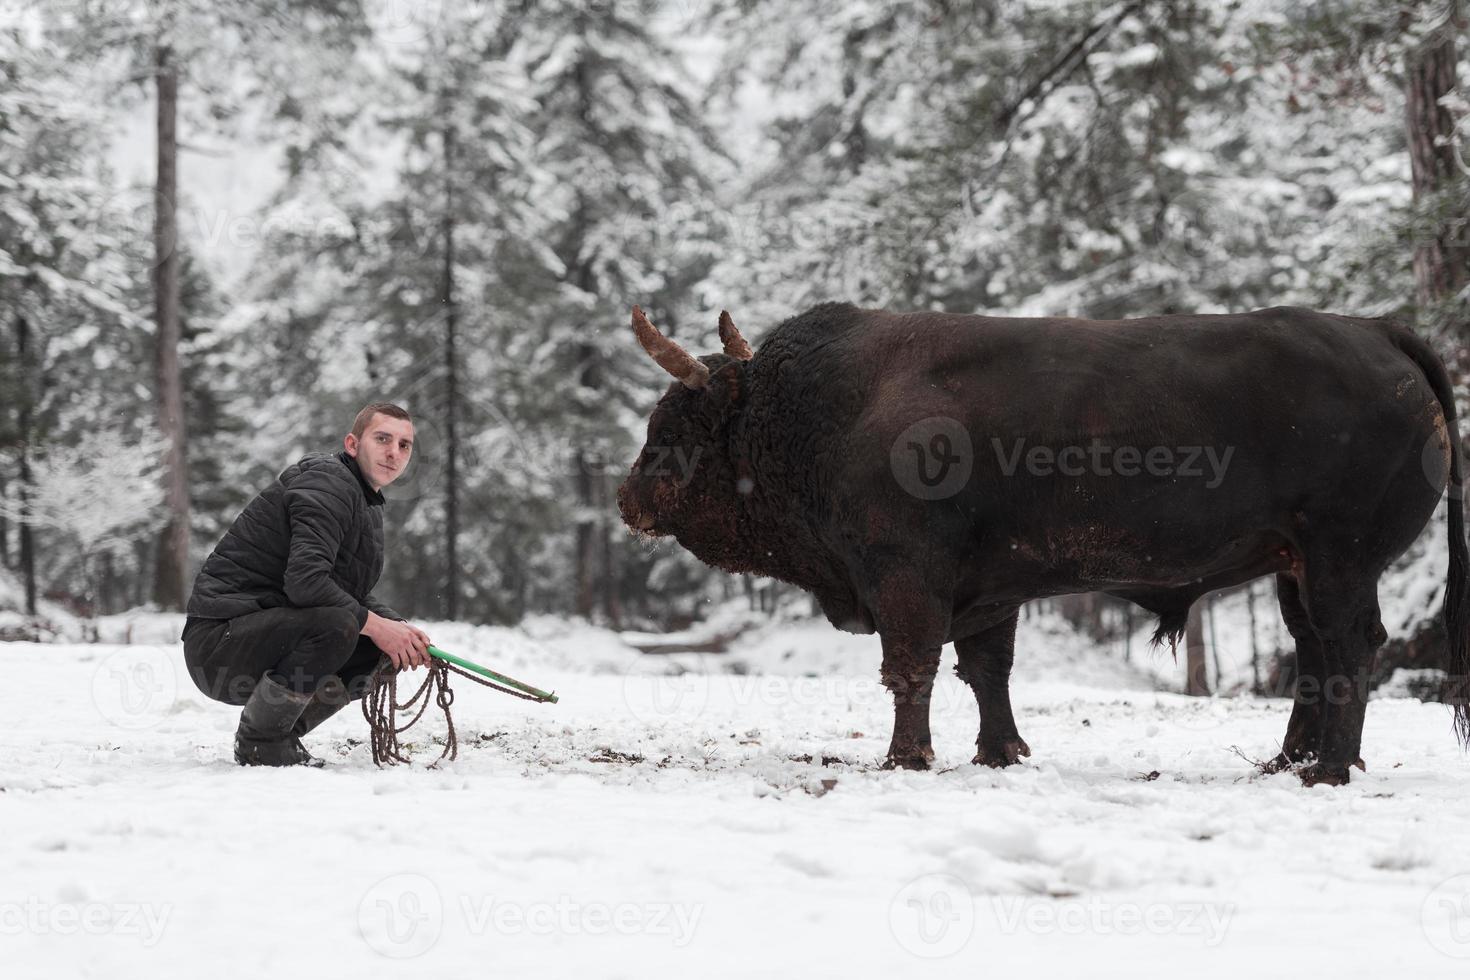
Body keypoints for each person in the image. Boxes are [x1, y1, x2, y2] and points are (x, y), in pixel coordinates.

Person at [180, 402, 433, 767]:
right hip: (219, 645)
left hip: (260, 636)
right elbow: (306, 583)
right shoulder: (328, 484)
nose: (394, 452)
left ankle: (281, 734)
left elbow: (347, 593)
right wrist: (379, 627)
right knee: (343, 625)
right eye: (382, 439)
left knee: (377, 649)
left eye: (404, 445)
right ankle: (261, 741)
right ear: (352, 444)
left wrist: (401, 632)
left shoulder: (362, 498)